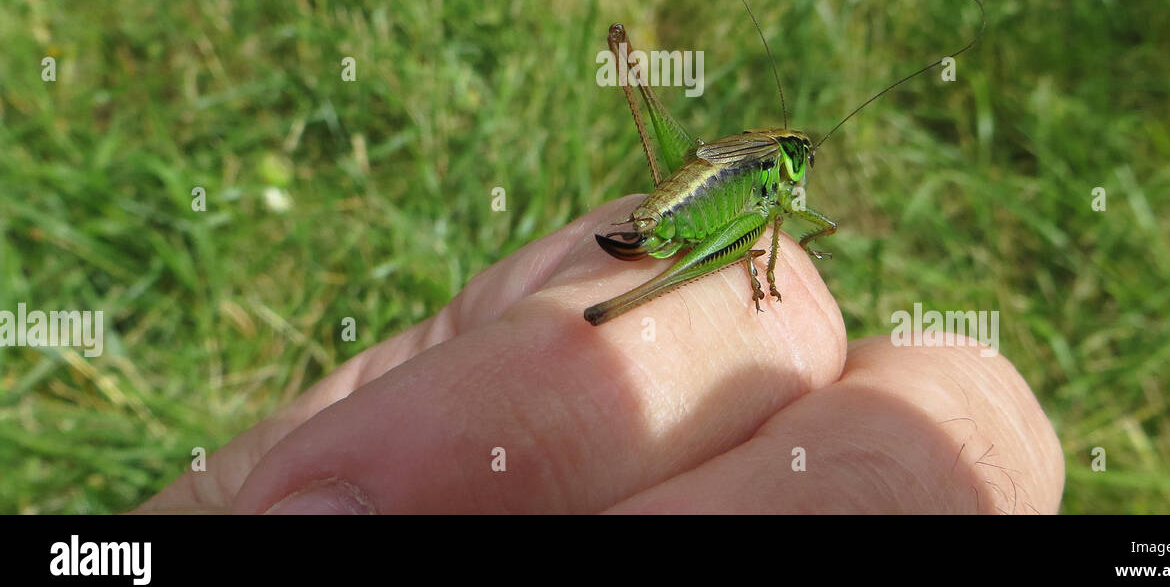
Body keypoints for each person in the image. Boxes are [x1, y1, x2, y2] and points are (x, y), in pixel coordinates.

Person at [138, 197, 1063, 513]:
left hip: (695, 217)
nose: (798, 186)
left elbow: (780, 226)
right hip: (679, 224)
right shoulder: (769, 197)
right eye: (796, 169)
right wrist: (766, 269)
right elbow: (770, 227)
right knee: (743, 276)